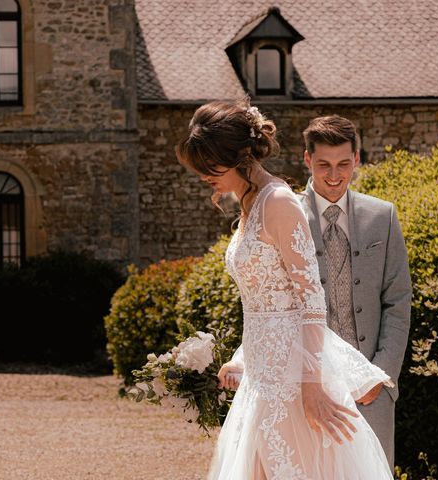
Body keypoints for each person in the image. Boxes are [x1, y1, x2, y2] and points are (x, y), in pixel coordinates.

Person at [176, 100, 394, 479]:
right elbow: (267, 303)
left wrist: (312, 388)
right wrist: (241, 358)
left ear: (240, 156)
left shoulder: (277, 202)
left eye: (212, 166)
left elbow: (310, 301)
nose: (206, 177)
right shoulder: (249, 204)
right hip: (262, 376)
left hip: (293, 381)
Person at [298, 115, 412, 468]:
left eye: (344, 164)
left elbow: (398, 301)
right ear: (307, 160)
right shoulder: (287, 217)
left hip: (371, 390)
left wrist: (380, 374)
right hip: (308, 387)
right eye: (324, 165)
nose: (334, 176)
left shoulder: (383, 216)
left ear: (357, 159)